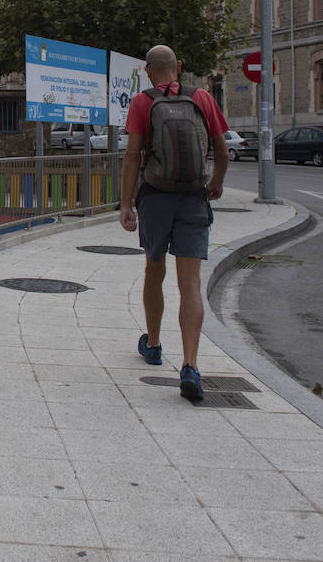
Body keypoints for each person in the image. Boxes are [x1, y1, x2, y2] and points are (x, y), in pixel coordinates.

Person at [118, 45, 229, 400]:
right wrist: (216, 184)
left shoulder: (142, 102)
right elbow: (223, 150)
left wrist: (126, 204)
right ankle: (191, 365)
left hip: (156, 198)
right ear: (178, 67)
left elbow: (133, 156)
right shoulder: (203, 98)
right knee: (191, 282)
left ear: (148, 71)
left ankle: (152, 344)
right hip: (193, 198)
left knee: (154, 269)